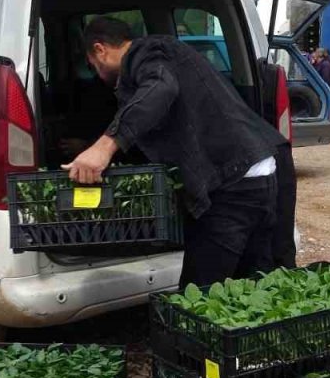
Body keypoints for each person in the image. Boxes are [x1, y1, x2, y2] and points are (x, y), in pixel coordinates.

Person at [65, 16, 289, 291]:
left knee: (199, 297)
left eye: (92, 64)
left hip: (233, 184)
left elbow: (161, 87)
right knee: (252, 288)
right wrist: (90, 147)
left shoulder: (147, 54)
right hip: (259, 173)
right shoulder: (164, 55)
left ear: (100, 49)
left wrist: (104, 147)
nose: (96, 72)